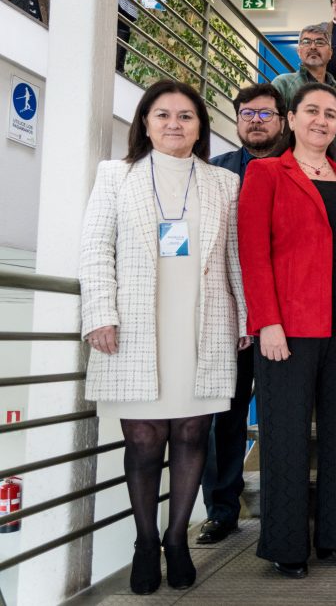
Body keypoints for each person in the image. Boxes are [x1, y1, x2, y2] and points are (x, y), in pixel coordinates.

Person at [80, 80, 247, 594]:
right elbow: (94, 248)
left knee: (195, 434)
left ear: (201, 126)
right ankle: (144, 540)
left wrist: (245, 318)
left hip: (204, 322)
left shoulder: (223, 181)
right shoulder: (116, 175)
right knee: (146, 440)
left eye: (186, 116)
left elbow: (235, 257)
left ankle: (177, 538)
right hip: (135, 324)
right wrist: (98, 314)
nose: (175, 124)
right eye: (163, 115)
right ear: (145, 123)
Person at [238, 82, 336, 579]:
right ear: (290, 118)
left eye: (330, 113)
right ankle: (286, 545)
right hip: (289, 328)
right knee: (285, 437)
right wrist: (267, 322)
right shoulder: (265, 173)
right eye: (312, 112)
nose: (321, 120)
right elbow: (253, 255)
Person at [198, 84, 287, 546]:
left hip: (283, 320)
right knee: (225, 417)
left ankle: (284, 507)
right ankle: (222, 508)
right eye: (248, 113)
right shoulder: (215, 175)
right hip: (228, 319)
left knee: (282, 417)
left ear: (282, 120)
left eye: (266, 114)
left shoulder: (298, 170)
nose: (256, 121)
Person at [271, 23, 336, 107]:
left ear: (330, 53)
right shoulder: (283, 84)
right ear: (298, 51)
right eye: (306, 42)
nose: (313, 47)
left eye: (320, 42)